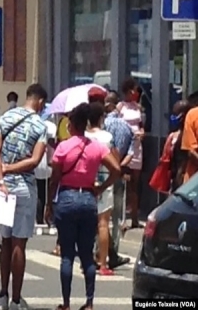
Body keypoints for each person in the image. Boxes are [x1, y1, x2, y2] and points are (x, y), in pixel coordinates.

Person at [45, 103, 121, 310]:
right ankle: (89, 302)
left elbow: (55, 179)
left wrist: (49, 204)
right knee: (87, 254)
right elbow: (116, 169)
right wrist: (101, 187)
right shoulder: (97, 147)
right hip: (88, 199)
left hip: (67, 198)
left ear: (71, 125)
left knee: (67, 255)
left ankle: (67, 303)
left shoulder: (63, 147)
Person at [0, 83, 48, 310]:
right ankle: (16, 298)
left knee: (5, 240)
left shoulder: (5, 118)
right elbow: (34, 161)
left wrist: (1, 177)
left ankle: (3, 294)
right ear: (40, 102)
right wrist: (12, 169)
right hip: (24, 187)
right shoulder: (41, 126)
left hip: (4, 188)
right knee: (19, 243)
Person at [85, 102, 117, 276]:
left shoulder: (83, 136)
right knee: (103, 223)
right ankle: (103, 263)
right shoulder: (107, 137)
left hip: (86, 180)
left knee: (87, 225)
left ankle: (86, 261)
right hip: (105, 181)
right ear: (101, 118)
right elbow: (114, 159)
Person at [103, 91, 134, 269]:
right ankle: (113, 251)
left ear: (108, 104)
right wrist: (119, 167)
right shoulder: (127, 127)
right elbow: (130, 154)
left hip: (102, 173)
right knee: (116, 217)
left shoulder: (102, 125)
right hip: (118, 173)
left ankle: (99, 250)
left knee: (101, 216)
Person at [117, 78, 144, 228]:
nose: (136, 92)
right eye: (134, 89)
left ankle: (134, 218)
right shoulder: (120, 107)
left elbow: (141, 126)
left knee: (135, 184)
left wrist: (141, 133)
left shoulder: (137, 107)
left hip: (137, 147)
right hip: (125, 146)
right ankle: (122, 217)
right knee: (123, 182)